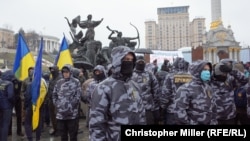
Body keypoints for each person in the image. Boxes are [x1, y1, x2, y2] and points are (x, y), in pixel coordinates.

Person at [89, 46, 146, 141]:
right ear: (117, 61)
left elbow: (142, 115)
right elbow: (97, 125)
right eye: (126, 59)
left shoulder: (134, 86)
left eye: (132, 60)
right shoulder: (103, 88)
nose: (130, 62)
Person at [174, 60, 217, 125]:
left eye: (208, 70)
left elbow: (213, 107)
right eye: (205, 70)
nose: (207, 72)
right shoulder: (185, 89)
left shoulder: (208, 88)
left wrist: (213, 121)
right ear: (197, 71)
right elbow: (180, 112)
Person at [212, 59, 248, 125]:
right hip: (215, 116)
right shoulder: (211, 80)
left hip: (230, 115)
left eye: (225, 73)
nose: (224, 75)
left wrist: (232, 71)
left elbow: (244, 81)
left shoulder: (229, 78)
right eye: (222, 74)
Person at [52, 65, 82, 141]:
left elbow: (78, 96)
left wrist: (71, 105)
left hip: (72, 115)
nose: (65, 74)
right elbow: (54, 95)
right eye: (63, 72)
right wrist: (58, 104)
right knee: (63, 136)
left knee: (73, 136)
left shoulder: (76, 82)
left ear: (70, 72)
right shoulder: (59, 82)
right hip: (61, 115)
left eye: (67, 72)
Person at [161, 57, 191, 125]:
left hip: (172, 111)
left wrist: (162, 109)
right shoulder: (191, 77)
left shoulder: (170, 76)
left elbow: (166, 95)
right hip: (187, 111)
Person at [131, 58, 160, 125]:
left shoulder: (149, 74)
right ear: (136, 63)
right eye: (139, 63)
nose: (141, 64)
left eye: (142, 63)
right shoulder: (131, 74)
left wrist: (156, 106)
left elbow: (156, 89)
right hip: (133, 107)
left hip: (147, 108)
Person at [0, 70, 14, 141]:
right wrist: (13, 103)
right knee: (5, 124)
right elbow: (10, 96)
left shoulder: (0, 83)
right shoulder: (10, 84)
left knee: (1, 124)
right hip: (7, 107)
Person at [48, 65, 61, 136]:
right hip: (50, 100)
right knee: (52, 116)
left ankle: (59, 130)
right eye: (51, 70)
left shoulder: (60, 79)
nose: (52, 71)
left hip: (57, 101)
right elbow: (49, 89)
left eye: (53, 69)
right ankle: (55, 128)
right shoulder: (51, 79)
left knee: (57, 116)